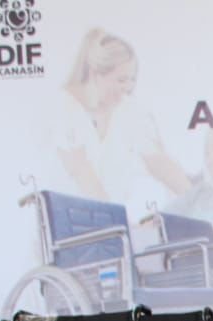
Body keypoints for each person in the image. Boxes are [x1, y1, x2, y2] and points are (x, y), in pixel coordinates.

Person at [53, 28, 189, 206]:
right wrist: (113, 218)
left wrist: (196, 200)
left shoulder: (128, 110)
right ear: (96, 74)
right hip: (70, 216)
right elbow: (81, 172)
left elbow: (158, 162)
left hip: (113, 217)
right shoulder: (64, 108)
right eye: (121, 80)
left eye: (132, 80)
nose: (129, 87)